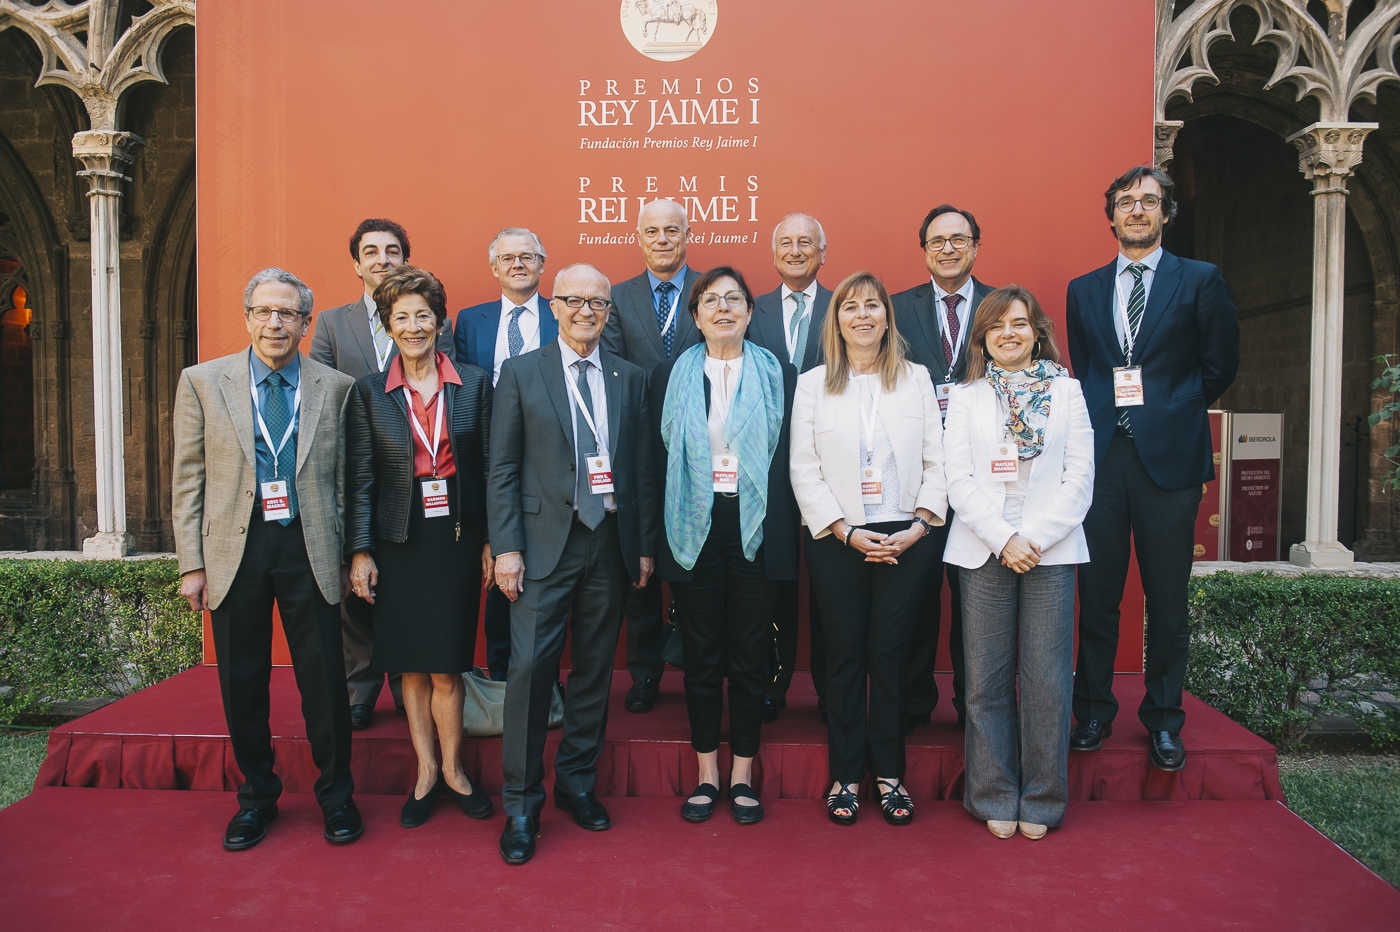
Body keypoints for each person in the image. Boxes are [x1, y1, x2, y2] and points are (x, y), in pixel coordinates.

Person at [173, 267, 362, 850]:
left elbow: (348, 480)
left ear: (306, 323)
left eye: (288, 313)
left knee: (324, 681)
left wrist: (352, 554)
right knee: (243, 680)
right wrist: (191, 564)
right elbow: (188, 477)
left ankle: (337, 797)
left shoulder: (337, 387)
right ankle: (256, 798)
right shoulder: (203, 382)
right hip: (236, 548)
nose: (275, 323)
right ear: (248, 317)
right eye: (264, 311)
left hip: (312, 547)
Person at [1066, 166, 1239, 771]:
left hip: (1171, 461)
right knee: (1098, 597)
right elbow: (1089, 369)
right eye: (1125, 202)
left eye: (1148, 201)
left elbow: (1220, 363)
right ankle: (1092, 712)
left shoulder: (1201, 279)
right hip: (1103, 460)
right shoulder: (1084, 289)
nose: (1136, 210)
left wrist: (1172, 408)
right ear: (1111, 216)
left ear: (1166, 213)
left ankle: (1165, 719)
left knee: (1168, 600)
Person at [490, 263, 659, 865]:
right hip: (540, 548)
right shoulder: (521, 372)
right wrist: (506, 548)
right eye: (574, 301)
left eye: (598, 303)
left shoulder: (629, 378)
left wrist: (642, 545)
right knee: (531, 672)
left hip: (608, 542)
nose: (586, 311)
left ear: (609, 313)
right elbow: (502, 467)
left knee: (594, 669)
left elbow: (641, 470)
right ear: (554, 306)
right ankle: (521, 804)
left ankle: (577, 781)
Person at [789, 271, 947, 826]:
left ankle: (890, 774)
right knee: (844, 657)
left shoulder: (916, 378)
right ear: (836, 320)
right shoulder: (813, 384)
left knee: (892, 656)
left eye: (872, 306)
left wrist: (920, 526)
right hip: (839, 537)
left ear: (887, 316)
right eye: (850, 307)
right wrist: (844, 531)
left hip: (906, 535)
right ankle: (845, 774)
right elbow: (803, 467)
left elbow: (937, 459)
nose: (862, 315)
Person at [943, 285, 1094, 841]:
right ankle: (992, 793)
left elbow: (1080, 477)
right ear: (982, 337)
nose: (1008, 333)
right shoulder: (966, 396)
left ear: (1037, 332)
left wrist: (1034, 538)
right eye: (997, 325)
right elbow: (958, 477)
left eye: (1020, 323)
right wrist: (1004, 537)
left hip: (1050, 549)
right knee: (985, 680)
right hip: (984, 545)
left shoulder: (1068, 391)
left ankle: (1043, 798)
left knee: (1048, 680)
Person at [346, 265, 493, 828]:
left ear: (439, 322)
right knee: (410, 665)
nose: (413, 326)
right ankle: (426, 771)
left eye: (422, 316)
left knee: (447, 666)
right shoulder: (370, 392)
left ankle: (455, 770)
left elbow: (490, 468)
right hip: (398, 540)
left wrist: (493, 541)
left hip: (456, 538)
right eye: (401, 317)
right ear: (388, 325)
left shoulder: (474, 384)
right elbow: (361, 476)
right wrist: (361, 551)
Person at [651, 266, 798, 825]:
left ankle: (742, 774)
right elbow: (658, 457)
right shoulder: (671, 374)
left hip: (755, 525)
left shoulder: (780, 373)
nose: (723, 308)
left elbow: (790, 460)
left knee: (750, 651)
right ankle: (706, 773)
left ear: (750, 311)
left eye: (734, 299)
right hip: (694, 523)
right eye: (711, 300)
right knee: (702, 652)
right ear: (695, 315)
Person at [310, 218, 453, 730]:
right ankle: (361, 686)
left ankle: (405, 681)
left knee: (407, 586)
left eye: (392, 250)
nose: (382, 259)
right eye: (370, 252)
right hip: (354, 463)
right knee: (358, 584)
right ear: (356, 264)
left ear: (405, 259)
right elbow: (320, 390)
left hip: (416, 472)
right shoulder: (331, 324)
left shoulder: (429, 318)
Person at [892, 204, 996, 732]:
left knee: (977, 598)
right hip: (918, 474)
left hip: (984, 476)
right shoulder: (896, 308)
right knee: (916, 594)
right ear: (924, 250)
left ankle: (973, 706)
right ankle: (914, 702)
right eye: (937, 241)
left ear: (976, 245)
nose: (948, 249)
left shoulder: (1001, 307)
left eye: (959, 239)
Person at [602, 198, 701, 713]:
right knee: (638, 569)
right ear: (638, 238)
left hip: (699, 449)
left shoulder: (711, 290)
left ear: (688, 235)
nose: (662, 239)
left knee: (695, 569)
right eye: (652, 231)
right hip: (636, 448)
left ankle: (698, 668)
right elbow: (612, 366)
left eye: (672, 230)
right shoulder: (616, 297)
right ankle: (644, 673)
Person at [453, 227, 558, 682]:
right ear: (494, 267)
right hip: (490, 457)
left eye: (527, 256)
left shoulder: (562, 313)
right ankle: (500, 679)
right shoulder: (470, 321)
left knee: (548, 568)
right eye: (508, 258)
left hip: (551, 457)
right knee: (498, 562)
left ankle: (546, 679)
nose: (518, 264)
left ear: (542, 264)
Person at [747, 212, 833, 722]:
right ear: (773, 252)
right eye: (786, 242)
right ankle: (770, 684)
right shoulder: (750, 310)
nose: (795, 250)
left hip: (831, 465)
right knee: (772, 582)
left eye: (806, 242)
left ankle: (830, 689)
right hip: (767, 467)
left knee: (829, 585)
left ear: (823, 252)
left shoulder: (844, 307)